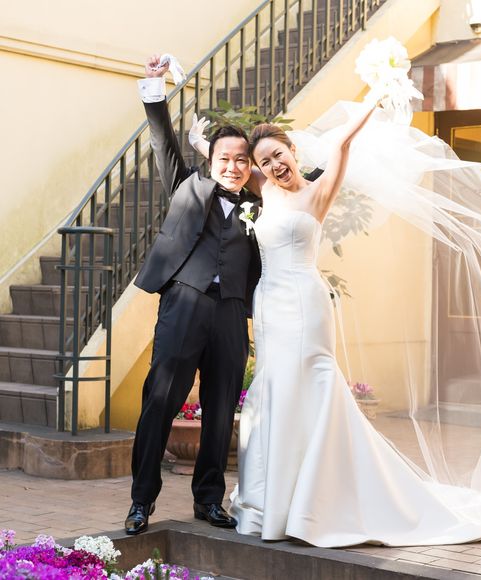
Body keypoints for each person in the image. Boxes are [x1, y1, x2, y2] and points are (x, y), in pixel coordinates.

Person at [189, 95, 481, 546]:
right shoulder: (265, 189)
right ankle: (275, 497)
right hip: (270, 304)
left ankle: (316, 500)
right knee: (274, 388)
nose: (274, 166)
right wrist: (201, 145)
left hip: (306, 303)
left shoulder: (319, 192)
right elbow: (230, 165)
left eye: (278, 155)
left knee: (311, 384)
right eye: (265, 162)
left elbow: (342, 145)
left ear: (293, 151)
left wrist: (376, 94)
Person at [124, 55, 261, 535]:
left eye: (241, 159)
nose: (232, 166)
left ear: (250, 165)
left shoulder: (260, 204)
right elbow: (162, 138)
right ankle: (141, 501)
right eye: (224, 158)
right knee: (160, 401)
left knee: (221, 410)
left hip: (232, 313)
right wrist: (155, 87)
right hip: (183, 304)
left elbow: (297, 180)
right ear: (209, 159)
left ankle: (209, 500)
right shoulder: (187, 184)